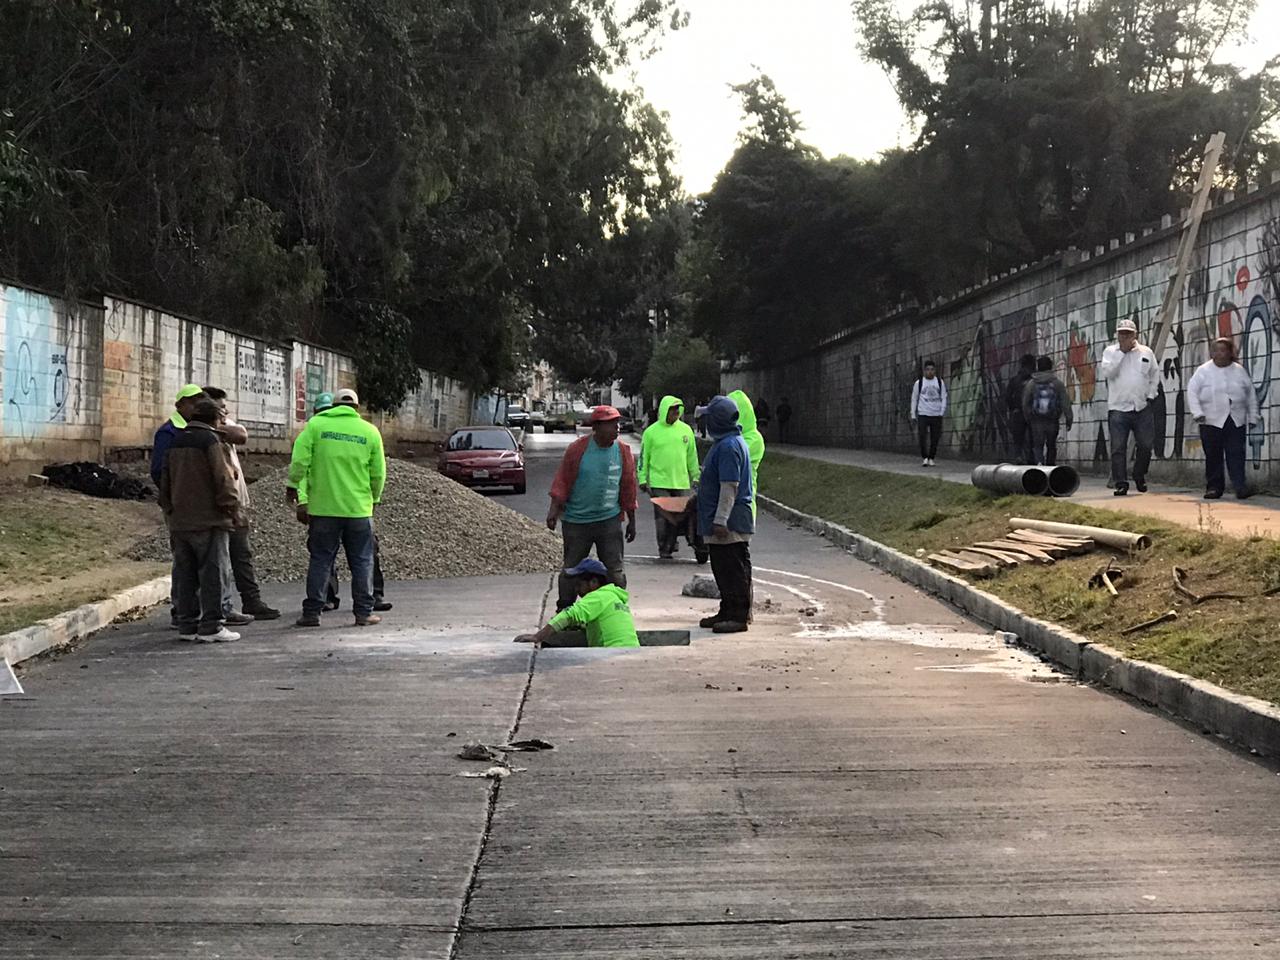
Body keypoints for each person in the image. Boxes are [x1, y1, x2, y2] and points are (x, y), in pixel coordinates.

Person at [286, 387, 387, 627]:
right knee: (362, 561)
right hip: (358, 510)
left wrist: (292, 485)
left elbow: (300, 461)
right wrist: (373, 498)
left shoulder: (316, 427)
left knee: (321, 559)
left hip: (323, 509)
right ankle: (363, 613)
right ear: (357, 407)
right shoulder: (370, 431)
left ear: (333, 405)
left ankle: (312, 613)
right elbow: (378, 473)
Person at [158, 397, 243, 643]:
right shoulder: (211, 441)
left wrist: (170, 509)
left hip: (180, 521)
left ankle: (187, 624)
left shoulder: (176, 441)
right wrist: (232, 509)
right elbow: (224, 479)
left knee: (186, 574)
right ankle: (212, 626)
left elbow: (165, 480)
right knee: (213, 573)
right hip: (209, 520)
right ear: (215, 419)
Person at [547, 405, 637, 611]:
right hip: (577, 522)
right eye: (611, 424)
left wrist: (632, 520)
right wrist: (553, 511)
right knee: (571, 569)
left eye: (617, 423)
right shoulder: (578, 450)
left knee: (615, 571)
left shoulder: (623, 452)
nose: (617, 428)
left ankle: (618, 609)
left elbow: (628, 488)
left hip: (609, 521)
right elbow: (562, 481)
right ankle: (565, 610)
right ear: (596, 427)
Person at [202, 386, 280, 622]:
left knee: (242, 555)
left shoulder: (224, 427)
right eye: (220, 408)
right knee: (220, 561)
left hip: (237, 501)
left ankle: (251, 600)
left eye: (225, 407)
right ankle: (220, 608)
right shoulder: (201, 433)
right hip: (218, 506)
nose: (225, 411)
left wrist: (219, 423)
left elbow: (242, 435)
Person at [696, 395, 755, 634]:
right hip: (724, 519)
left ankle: (738, 615)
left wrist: (720, 520)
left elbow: (729, 486)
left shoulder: (729, 447)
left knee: (732, 569)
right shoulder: (726, 443)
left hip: (728, 522)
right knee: (724, 568)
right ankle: (727, 610)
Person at [1187, 337, 1259, 500]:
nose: (1220, 354)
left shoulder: (1239, 370)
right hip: (1210, 420)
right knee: (1213, 455)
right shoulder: (1203, 371)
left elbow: (1250, 395)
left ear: (1229, 352)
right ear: (1212, 353)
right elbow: (1192, 392)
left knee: (1236, 453)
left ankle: (1240, 486)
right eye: (1216, 350)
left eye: (1223, 350)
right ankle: (1214, 487)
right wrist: (1197, 412)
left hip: (1235, 419)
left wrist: (1253, 416)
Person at [513, 557, 639, 648]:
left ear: (594, 582)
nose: (576, 589)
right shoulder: (612, 596)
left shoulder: (598, 596)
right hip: (630, 651)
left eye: (579, 584)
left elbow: (570, 614)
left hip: (613, 653)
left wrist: (538, 636)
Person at [1099, 317, 1159, 495]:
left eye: (1128, 334)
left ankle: (1139, 474)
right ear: (1117, 335)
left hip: (1141, 406)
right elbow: (1108, 372)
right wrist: (1121, 353)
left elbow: (1154, 375)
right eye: (1121, 334)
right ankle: (1121, 482)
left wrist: (1150, 395)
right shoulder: (1110, 352)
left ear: (1135, 335)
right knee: (1118, 448)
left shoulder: (1146, 352)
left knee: (1146, 445)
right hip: (1118, 407)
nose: (1124, 337)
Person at [637, 395, 699, 559]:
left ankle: (688, 540)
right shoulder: (651, 432)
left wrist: (696, 476)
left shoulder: (686, 431)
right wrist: (642, 478)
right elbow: (644, 457)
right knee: (664, 517)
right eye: (672, 410)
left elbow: (692, 457)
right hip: (659, 483)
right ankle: (665, 546)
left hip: (681, 482)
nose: (675, 413)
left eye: (677, 410)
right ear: (664, 411)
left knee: (684, 515)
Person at [150, 384, 207, 485]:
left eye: (200, 404)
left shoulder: (200, 429)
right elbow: (158, 470)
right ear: (179, 406)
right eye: (192, 403)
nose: (196, 408)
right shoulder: (168, 432)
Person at [1021, 356, 1072, 466]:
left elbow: (1025, 402)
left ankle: (1039, 465)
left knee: (1038, 446)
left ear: (1038, 367)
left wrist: (1028, 417)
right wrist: (1069, 418)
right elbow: (1065, 402)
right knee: (1051, 445)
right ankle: (1050, 467)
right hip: (1052, 420)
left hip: (1036, 420)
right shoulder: (1057, 384)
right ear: (1051, 367)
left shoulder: (1032, 384)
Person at [728, 389, 765, 515]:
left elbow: (733, 457)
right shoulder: (730, 438)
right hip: (727, 503)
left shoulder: (754, 439)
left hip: (742, 504)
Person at [910, 361, 948, 466]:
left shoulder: (940, 382)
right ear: (924, 371)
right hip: (923, 413)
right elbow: (914, 398)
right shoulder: (919, 383)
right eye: (928, 370)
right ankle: (925, 457)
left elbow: (944, 397)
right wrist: (913, 414)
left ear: (935, 371)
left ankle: (931, 457)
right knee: (922, 436)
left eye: (932, 370)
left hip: (936, 414)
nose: (930, 372)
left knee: (935, 437)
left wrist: (942, 411)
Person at [1005, 354, 1036, 464]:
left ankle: (1018, 457)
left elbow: (1008, 397)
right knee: (1032, 438)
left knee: (1018, 438)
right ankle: (1032, 459)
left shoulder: (1014, 380)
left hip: (1018, 412)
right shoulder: (1034, 381)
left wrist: (1012, 408)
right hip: (1032, 413)